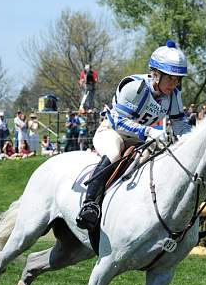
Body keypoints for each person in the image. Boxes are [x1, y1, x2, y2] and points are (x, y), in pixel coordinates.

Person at [76, 40, 191, 231]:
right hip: (112, 131)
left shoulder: (174, 96)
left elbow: (180, 124)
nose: (174, 83)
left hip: (141, 140)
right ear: (156, 74)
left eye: (177, 79)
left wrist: (192, 141)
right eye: (170, 78)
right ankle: (90, 205)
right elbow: (118, 121)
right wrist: (148, 131)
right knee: (114, 154)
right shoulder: (134, 87)